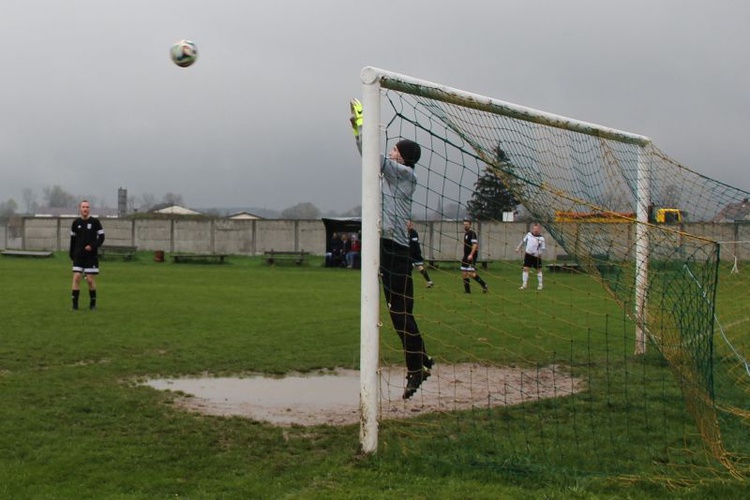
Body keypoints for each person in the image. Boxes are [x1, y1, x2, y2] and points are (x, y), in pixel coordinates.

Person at [350, 97, 433, 399]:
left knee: (399, 314)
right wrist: (359, 131)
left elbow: (372, 155)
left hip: (394, 251)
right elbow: (369, 156)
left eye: (396, 150)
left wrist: (362, 124)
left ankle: (417, 369)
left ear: (405, 158)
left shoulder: (406, 174)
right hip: (388, 249)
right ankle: (422, 358)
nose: (392, 152)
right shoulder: (395, 178)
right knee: (401, 312)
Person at [69, 200, 105, 310]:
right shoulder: (75, 223)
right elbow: (73, 240)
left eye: (87, 207)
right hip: (79, 256)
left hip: (91, 256)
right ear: (80, 208)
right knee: (76, 277)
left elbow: (102, 237)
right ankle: (75, 306)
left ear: (89, 209)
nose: (85, 209)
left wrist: (92, 246)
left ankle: (93, 304)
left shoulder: (95, 222)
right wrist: (72, 254)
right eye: (83, 207)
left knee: (90, 280)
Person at [461, 218, 489, 294]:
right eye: (464, 225)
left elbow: (475, 245)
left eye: (467, 225)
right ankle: (467, 292)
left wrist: (471, 255)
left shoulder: (472, 233)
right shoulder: (466, 234)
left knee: (470, 273)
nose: (465, 226)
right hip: (465, 256)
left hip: (471, 256)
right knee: (464, 273)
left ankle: (484, 284)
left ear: (470, 225)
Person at [516, 222, 546, 290]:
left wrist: (539, 254)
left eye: (537, 229)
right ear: (532, 229)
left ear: (539, 230)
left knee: (538, 270)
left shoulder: (541, 238)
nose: (536, 230)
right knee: (525, 269)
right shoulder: (529, 235)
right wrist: (518, 248)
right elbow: (523, 242)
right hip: (528, 255)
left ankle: (540, 285)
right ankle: (524, 285)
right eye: (534, 229)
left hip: (536, 256)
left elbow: (543, 248)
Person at [407, 220, 433, 288]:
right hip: (410, 253)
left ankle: (429, 281)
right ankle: (429, 281)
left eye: (408, 224)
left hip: (415, 254)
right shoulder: (406, 233)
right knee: (418, 267)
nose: (407, 225)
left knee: (417, 267)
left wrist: (411, 253)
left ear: (411, 225)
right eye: (406, 224)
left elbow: (414, 245)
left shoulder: (414, 233)